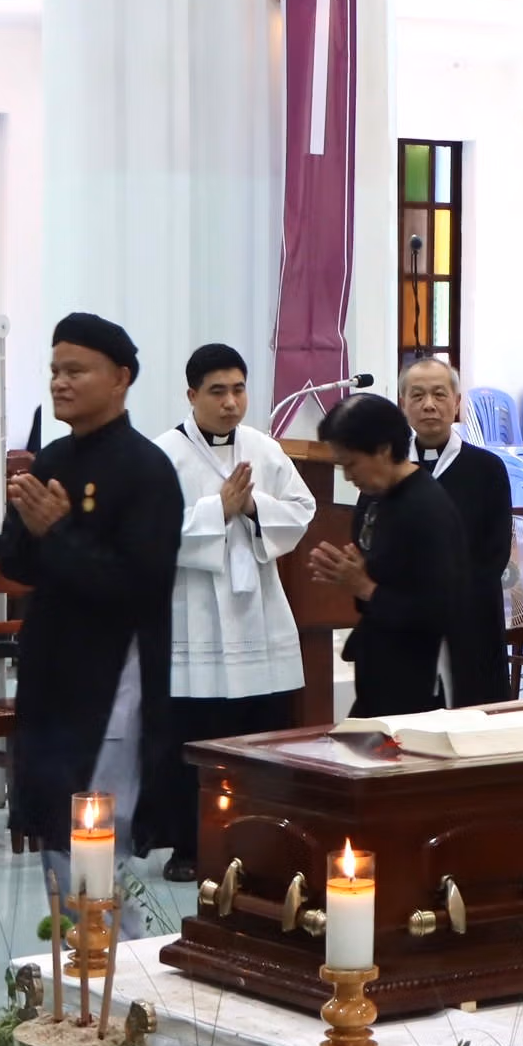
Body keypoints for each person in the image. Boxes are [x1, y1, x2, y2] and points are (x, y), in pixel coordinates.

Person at [0, 314, 184, 919]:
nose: (60, 382)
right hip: (52, 674)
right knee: (57, 830)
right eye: (55, 370)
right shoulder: (52, 458)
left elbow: (137, 586)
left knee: (96, 839)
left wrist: (58, 531)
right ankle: (79, 967)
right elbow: (16, 561)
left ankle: (118, 965)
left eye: (76, 371)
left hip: (113, 684)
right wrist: (37, 532)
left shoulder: (147, 470)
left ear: (121, 378)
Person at [147, 345, 316, 879]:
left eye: (239, 390)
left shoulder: (264, 449)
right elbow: (146, 533)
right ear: (191, 394)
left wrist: (254, 507)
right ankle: (190, 846)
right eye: (217, 392)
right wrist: (214, 511)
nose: (230, 403)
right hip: (193, 612)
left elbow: (303, 509)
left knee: (260, 730)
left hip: (257, 612)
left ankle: (263, 837)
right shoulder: (163, 456)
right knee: (194, 734)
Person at [308, 393, 467, 717]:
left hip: (416, 682)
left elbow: (440, 611)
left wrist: (365, 587)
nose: (347, 476)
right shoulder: (372, 497)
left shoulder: (427, 508)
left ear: (382, 449)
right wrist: (350, 577)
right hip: (377, 669)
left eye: (351, 464)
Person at [393, 357, 514, 703]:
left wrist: (444, 598)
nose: (429, 405)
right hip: (406, 624)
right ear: (403, 404)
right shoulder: (389, 470)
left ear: (457, 402)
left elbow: (494, 554)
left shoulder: (487, 469)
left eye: (439, 394)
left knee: (475, 715)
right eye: (417, 395)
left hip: (472, 620)